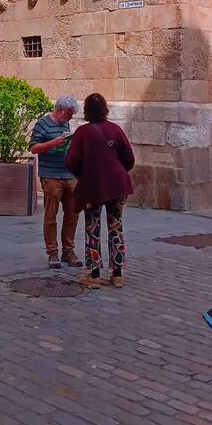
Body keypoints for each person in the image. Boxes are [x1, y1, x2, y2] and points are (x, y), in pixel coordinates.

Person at [64, 93, 135, 288]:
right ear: (105, 109)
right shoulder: (115, 129)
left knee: (92, 228)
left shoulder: (82, 133)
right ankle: (118, 273)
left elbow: (71, 161)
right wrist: (116, 172)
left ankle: (94, 274)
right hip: (117, 186)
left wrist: (85, 174)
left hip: (93, 187)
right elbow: (129, 158)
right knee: (116, 227)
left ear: (86, 110)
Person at [29, 95, 81, 269]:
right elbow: (34, 148)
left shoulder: (65, 124)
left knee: (73, 214)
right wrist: (52, 143)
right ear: (60, 110)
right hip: (51, 176)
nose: (71, 117)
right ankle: (52, 253)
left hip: (69, 174)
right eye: (70, 113)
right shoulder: (42, 124)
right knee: (50, 215)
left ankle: (69, 251)